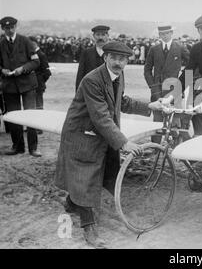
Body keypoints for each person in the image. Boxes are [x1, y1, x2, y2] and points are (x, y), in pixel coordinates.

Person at [56, 41, 163, 248]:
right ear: (105, 57)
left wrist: (149, 106)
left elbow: (121, 101)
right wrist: (124, 142)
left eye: (122, 59)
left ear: (127, 61)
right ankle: (89, 229)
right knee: (86, 176)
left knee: (99, 172)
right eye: (114, 58)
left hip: (98, 133)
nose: (118, 63)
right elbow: (101, 118)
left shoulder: (118, 76)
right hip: (82, 134)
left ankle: (71, 202)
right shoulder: (92, 80)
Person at [0, 16, 41, 157]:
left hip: (27, 84)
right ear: (2, 29)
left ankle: (33, 148)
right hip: (10, 86)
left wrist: (23, 68)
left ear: (16, 27)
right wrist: (2, 70)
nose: (9, 30)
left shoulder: (25, 41)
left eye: (11, 27)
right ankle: (17, 146)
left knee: (30, 116)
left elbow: (36, 62)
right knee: (14, 117)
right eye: (6, 28)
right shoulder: (0, 44)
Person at [144, 23, 189, 142]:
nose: (164, 36)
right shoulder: (154, 49)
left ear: (171, 33)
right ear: (159, 35)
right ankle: (156, 147)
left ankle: (175, 146)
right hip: (157, 89)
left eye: (167, 33)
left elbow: (192, 66)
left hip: (174, 88)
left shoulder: (180, 47)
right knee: (157, 119)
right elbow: (147, 70)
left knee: (175, 118)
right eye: (162, 34)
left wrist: (181, 81)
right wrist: (153, 86)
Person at [75, 25, 110, 91]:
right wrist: (78, 94)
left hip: (108, 94)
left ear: (108, 36)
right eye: (98, 35)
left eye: (103, 35)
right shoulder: (86, 53)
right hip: (90, 92)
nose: (100, 37)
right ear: (93, 36)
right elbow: (80, 75)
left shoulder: (112, 53)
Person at [29, 37, 51, 116]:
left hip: (38, 84)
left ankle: (38, 125)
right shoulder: (34, 54)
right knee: (34, 105)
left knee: (38, 106)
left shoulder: (41, 55)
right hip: (34, 84)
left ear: (35, 44)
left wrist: (40, 80)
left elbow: (47, 72)